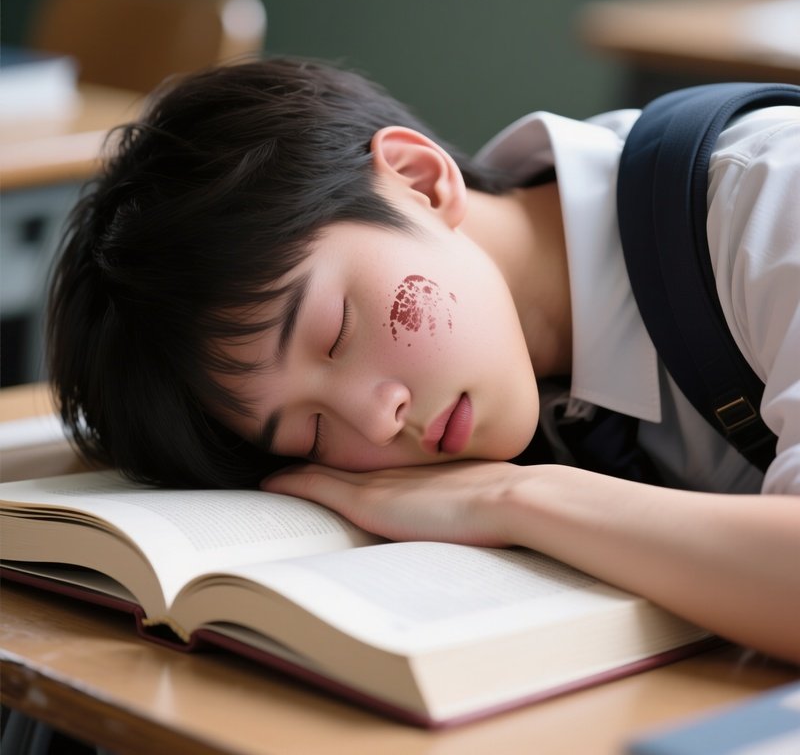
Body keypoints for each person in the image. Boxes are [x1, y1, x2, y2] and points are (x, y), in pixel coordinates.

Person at [47, 58, 800, 663]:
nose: (378, 419)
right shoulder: (520, 376)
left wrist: (514, 500)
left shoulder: (771, 198)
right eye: (309, 432)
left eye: (335, 331)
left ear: (417, 180)